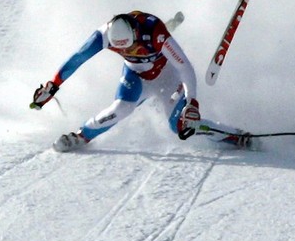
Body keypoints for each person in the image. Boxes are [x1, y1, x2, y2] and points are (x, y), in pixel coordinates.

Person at [30, 10, 255, 152]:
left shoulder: (154, 31)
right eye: (123, 48)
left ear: (136, 32)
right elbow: (78, 58)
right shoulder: (104, 35)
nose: (129, 50)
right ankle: (80, 136)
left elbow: (184, 66)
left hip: (167, 75)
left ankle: (234, 136)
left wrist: (191, 102)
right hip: (136, 76)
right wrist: (54, 84)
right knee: (121, 108)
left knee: (179, 126)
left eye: (130, 44)